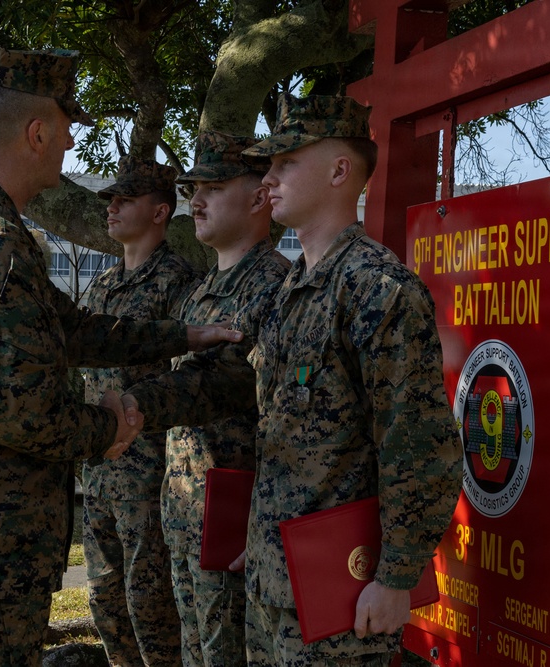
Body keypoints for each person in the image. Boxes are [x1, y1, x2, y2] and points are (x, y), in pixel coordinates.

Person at [0, 45, 240, 667]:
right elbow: (21, 414)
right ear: (36, 132)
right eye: (66, 131)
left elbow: (72, 330)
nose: (69, 147)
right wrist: (112, 425)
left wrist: (185, 336)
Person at [124, 94, 462, 665]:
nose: (270, 178)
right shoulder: (290, 292)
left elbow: (417, 442)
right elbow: (275, 433)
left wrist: (397, 576)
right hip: (271, 577)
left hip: (342, 590)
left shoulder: (377, 288)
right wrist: (255, 539)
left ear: (339, 171)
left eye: (287, 163)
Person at [164, 131, 290, 666]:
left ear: (260, 196)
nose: (196, 200)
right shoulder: (197, 292)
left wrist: (266, 524)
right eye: (194, 187)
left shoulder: (276, 287)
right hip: (186, 513)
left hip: (237, 524)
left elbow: (287, 424)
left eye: (213, 187)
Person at [81, 156, 199, 666]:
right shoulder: (102, 284)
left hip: (150, 472)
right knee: (105, 597)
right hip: (100, 468)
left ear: (160, 212)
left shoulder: (179, 282)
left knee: (151, 603)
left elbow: (189, 376)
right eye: (111, 198)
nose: (112, 207)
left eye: (125, 199)